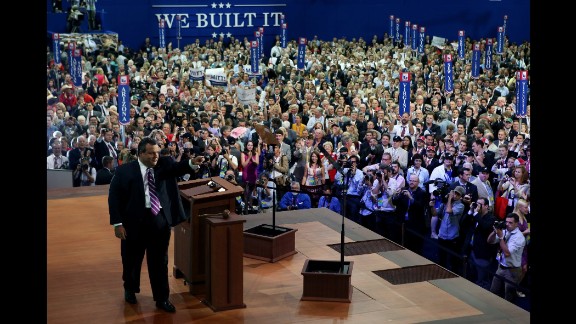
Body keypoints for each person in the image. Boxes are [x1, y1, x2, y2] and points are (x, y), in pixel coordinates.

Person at [108, 137, 204, 313]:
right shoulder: (124, 171)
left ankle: (162, 298)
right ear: (141, 153)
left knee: (160, 262)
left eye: (157, 153)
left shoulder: (163, 165)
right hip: (133, 223)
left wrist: (191, 162)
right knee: (131, 260)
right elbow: (114, 198)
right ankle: (130, 289)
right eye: (151, 153)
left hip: (159, 221)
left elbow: (177, 168)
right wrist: (118, 224)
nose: (155, 157)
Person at [487, 212, 526, 303]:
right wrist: (494, 231)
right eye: (506, 222)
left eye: (510, 223)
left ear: (516, 224)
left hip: (513, 270)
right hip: (501, 267)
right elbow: (489, 241)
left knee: (509, 297)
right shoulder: (504, 231)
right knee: (493, 291)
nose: (507, 224)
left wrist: (501, 237)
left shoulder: (519, 237)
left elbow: (507, 253)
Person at [430, 186, 466, 275]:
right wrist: (432, 206)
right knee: (441, 259)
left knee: (453, 261)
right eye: (454, 193)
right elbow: (435, 214)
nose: (455, 195)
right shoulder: (446, 203)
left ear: (461, 197)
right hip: (442, 235)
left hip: (452, 237)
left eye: (457, 194)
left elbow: (449, 211)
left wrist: (449, 199)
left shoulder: (460, 206)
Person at [466, 197, 498, 290]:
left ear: (486, 206)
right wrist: (471, 211)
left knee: (482, 280)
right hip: (472, 250)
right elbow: (464, 223)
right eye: (476, 203)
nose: (477, 206)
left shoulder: (491, 218)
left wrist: (476, 213)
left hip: (483, 254)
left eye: (480, 204)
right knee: (472, 275)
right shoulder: (475, 215)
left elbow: (484, 226)